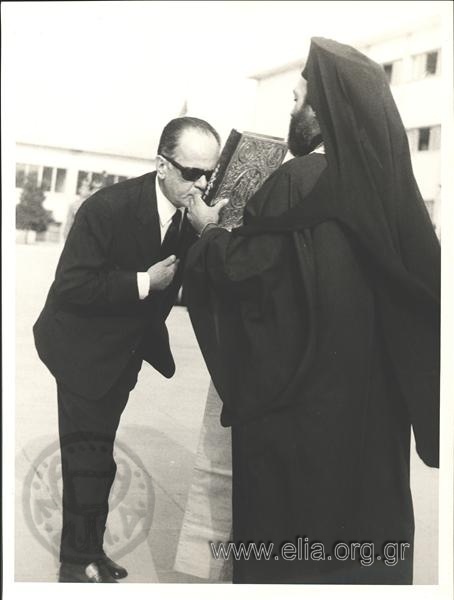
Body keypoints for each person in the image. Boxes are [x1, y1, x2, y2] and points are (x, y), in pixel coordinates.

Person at [184, 38, 440, 584]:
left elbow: (244, 274)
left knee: (293, 551)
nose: (291, 111)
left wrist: (208, 234)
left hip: (300, 421)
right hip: (372, 427)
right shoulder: (392, 196)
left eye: (296, 99)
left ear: (319, 110)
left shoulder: (296, 183)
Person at [33, 116, 222, 583]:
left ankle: (90, 551)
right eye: (191, 173)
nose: (200, 185)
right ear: (162, 165)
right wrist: (145, 282)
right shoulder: (107, 207)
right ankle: (75, 565)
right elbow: (72, 285)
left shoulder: (188, 215)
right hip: (79, 350)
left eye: (208, 175)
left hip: (121, 355)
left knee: (99, 457)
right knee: (88, 459)